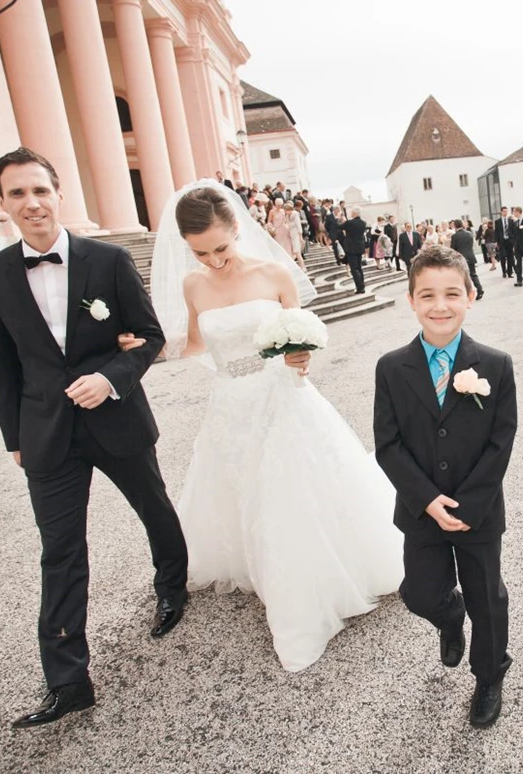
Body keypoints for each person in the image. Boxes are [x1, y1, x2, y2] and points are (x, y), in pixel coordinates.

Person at [144, 181, 402, 672]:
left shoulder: (275, 272)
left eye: (221, 248)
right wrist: (159, 345)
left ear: (237, 229)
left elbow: (302, 337)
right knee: (239, 491)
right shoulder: (192, 284)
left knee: (288, 494)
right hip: (229, 405)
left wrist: (301, 357)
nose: (215, 261)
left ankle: (302, 589)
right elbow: (198, 344)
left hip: (281, 397)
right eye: (201, 253)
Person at [0, 147, 189, 729]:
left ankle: (173, 585)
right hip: (46, 433)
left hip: (115, 418)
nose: (32, 203)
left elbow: (152, 337)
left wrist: (110, 377)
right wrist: (12, 437)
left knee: (154, 507)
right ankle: (68, 680)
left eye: (39, 190)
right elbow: (3, 366)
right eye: (17, 193)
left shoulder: (109, 260)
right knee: (60, 551)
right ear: (3, 203)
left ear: (59, 193)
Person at [373, 245, 518, 728]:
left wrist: (470, 503)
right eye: (428, 295)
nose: (441, 305)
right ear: (411, 300)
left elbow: (502, 440)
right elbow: (388, 443)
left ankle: (489, 676)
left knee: (487, 598)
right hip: (422, 510)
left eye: (452, 293)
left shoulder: (495, 364)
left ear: (471, 296)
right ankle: (448, 617)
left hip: (477, 510)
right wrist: (428, 500)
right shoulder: (392, 367)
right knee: (419, 592)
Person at [450, 218, 485, 300]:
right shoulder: (469, 233)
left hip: (460, 258)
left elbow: (453, 249)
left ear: (455, 226)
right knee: (473, 274)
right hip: (470, 256)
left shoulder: (455, 236)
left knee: (462, 276)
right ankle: (480, 289)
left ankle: (466, 293)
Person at [340, 208, 369, 293]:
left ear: (355, 213)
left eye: (352, 212)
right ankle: (362, 286)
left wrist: (340, 219)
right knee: (359, 268)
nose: (351, 214)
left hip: (351, 248)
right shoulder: (363, 223)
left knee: (354, 269)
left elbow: (339, 226)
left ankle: (360, 287)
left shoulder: (350, 223)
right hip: (359, 247)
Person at [271, 201, 305, 271]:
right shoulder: (287, 216)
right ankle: (297, 265)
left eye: (286, 210)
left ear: (289, 210)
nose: (285, 212)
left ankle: (303, 267)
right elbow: (287, 225)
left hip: (296, 235)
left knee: (297, 252)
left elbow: (299, 226)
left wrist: (300, 237)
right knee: (294, 251)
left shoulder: (295, 215)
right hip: (291, 235)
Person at [494, 206, 514, 280]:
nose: (505, 212)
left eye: (506, 211)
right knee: (502, 257)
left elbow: (513, 231)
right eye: (504, 211)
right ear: (501, 212)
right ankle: (504, 272)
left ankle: (509, 273)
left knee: (510, 257)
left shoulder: (511, 221)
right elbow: (496, 232)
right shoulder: (497, 221)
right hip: (501, 242)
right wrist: (496, 241)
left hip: (509, 242)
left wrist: (513, 241)